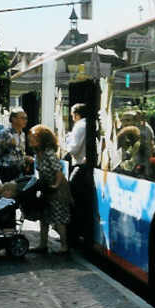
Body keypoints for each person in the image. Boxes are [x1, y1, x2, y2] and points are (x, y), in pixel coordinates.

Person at [28, 124, 71, 254]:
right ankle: (43, 244)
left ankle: (64, 246)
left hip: (56, 190)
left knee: (59, 218)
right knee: (44, 217)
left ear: (42, 139)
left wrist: (56, 186)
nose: (30, 139)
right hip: (46, 188)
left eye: (34, 137)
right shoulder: (38, 154)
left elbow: (59, 171)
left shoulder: (49, 153)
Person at [65, 103, 92, 249]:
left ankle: (73, 237)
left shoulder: (80, 126)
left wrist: (67, 139)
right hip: (86, 167)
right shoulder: (89, 124)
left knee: (74, 202)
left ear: (76, 114)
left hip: (79, 167)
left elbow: (73, 149)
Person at [0, 109, 29, 181]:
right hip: (7, 170)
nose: (25, 121)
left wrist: (25, 158)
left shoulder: (22, 134)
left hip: (20, 169)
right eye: (22, 118)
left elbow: (20, 151)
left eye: (26, 118)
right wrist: (7, 144)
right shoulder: (5, 133)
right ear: (14, 119)